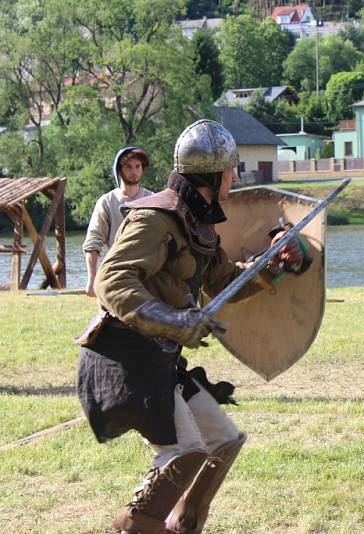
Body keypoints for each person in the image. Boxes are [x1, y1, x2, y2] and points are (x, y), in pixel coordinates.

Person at [75, 119, 308, 533]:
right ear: (212, 174)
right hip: (124, 356)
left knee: (223, 441)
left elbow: (222, 282)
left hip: (159, 358)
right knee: (185, 451)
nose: (235, 177)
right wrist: (175, 321)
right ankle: (133, 527)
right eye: (231, 170)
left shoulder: (197, 223)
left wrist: (271, 264)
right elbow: (110, 279)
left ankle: (183, 525)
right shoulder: (155, 217)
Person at [83, 147, 154, 297]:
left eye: (137, 166)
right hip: (117, 272)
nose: (134, 171)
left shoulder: (153, 200)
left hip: (150, 273)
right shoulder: (107, 202)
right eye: (128, 166)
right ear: (119, 170)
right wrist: (92, 279)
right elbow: (93, 242)